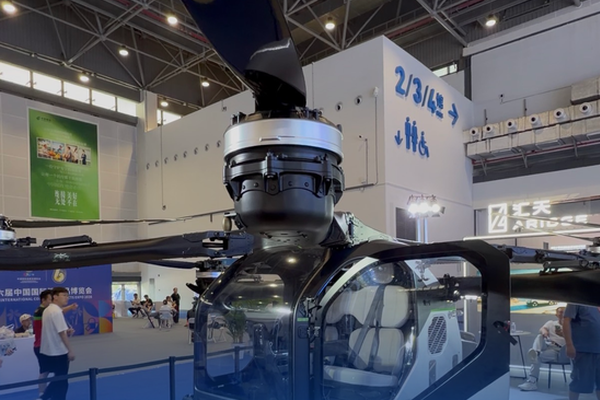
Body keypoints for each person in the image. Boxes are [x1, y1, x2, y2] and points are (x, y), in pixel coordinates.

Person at [33, 290, 77, 399]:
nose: (66, 297)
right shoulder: (55, 312)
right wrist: (70, 350)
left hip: (50, 350)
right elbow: (61, 333)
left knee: (60, 378)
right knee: (61, 379)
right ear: (55, 297)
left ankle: (47, 397)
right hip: (58, 351)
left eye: (67, 295)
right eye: (64, 295)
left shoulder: (48, 310)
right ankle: (45, 397)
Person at [518, 307, 566, 391]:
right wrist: (544, 331)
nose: (562, 314)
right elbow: (542, 329)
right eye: (560, 312)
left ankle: (532, 382)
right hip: (547, 345)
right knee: (539, 336)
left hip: (559, 350)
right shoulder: (551, 323)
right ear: (556, 314)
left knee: (536, 358)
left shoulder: (571, 326)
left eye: (564, 312)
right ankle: (535, 351)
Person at [563, 304, 600, 400]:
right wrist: (569, 345)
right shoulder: (576, 301)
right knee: (578, 382)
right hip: (583, 350)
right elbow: (566, 321)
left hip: (598, 349)